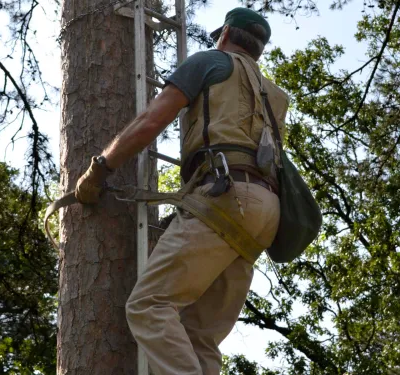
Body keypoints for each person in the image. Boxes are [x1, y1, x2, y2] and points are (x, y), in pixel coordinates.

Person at [75, 7, 289, 375]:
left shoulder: (210, 61)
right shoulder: (275, 96)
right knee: (198, 337)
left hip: (225, 196)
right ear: (259, 50)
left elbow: (150, 121)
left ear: (224, 35)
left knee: (150, 305)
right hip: (267, 213)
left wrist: (99, 169)